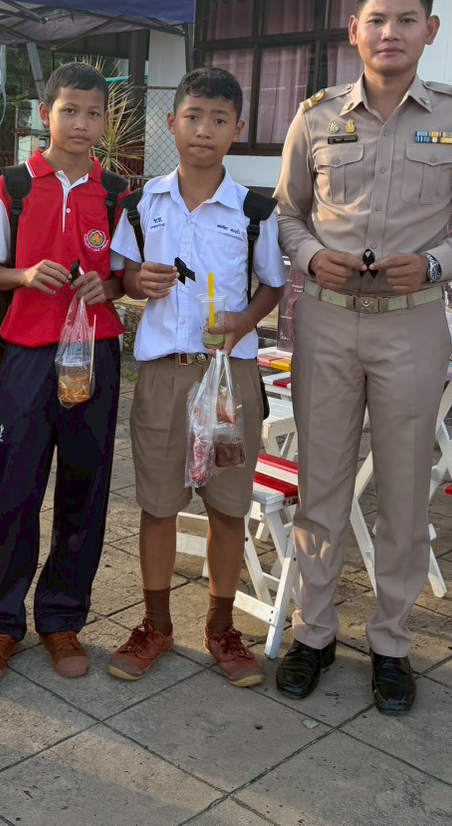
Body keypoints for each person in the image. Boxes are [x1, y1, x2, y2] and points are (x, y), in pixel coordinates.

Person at [272, 0, 452, 713]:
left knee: (403, 493)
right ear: (354, 31)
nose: (390, 33)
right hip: (327, 319)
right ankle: (312, 633)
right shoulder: (314, 117)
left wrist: (434, 263)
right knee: (323, 487)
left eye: (406, 20)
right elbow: (287, 215)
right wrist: (310, 258)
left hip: (411, 324)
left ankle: (392, 643)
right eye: (376, 20)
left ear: (429, 31)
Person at [107, 67, 287, 687]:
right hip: (163, 375)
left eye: (218, 120)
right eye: (192, 118)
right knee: (158, 505)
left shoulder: (255, 210)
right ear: (171, 124)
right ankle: (156, 625)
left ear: (237, 130)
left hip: (229, 378)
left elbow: (274, 286)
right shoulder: (140, 204)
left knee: (228, 506)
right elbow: (120, 276)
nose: (203, 131)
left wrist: (244, 319)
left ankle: (221, 627)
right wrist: (136, 283)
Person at [0, 61, 128, 684]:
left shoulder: (118, 193)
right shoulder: (12, 188)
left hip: (96, 356)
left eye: (93, 113)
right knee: (15, 490)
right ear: (45, 115)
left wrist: (107, 285)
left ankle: (62, 618)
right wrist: (26, 276)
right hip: (27, 358)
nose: (82, 123)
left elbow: (124, 276)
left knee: (84, 491)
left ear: (104, 121)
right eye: (70, 111)